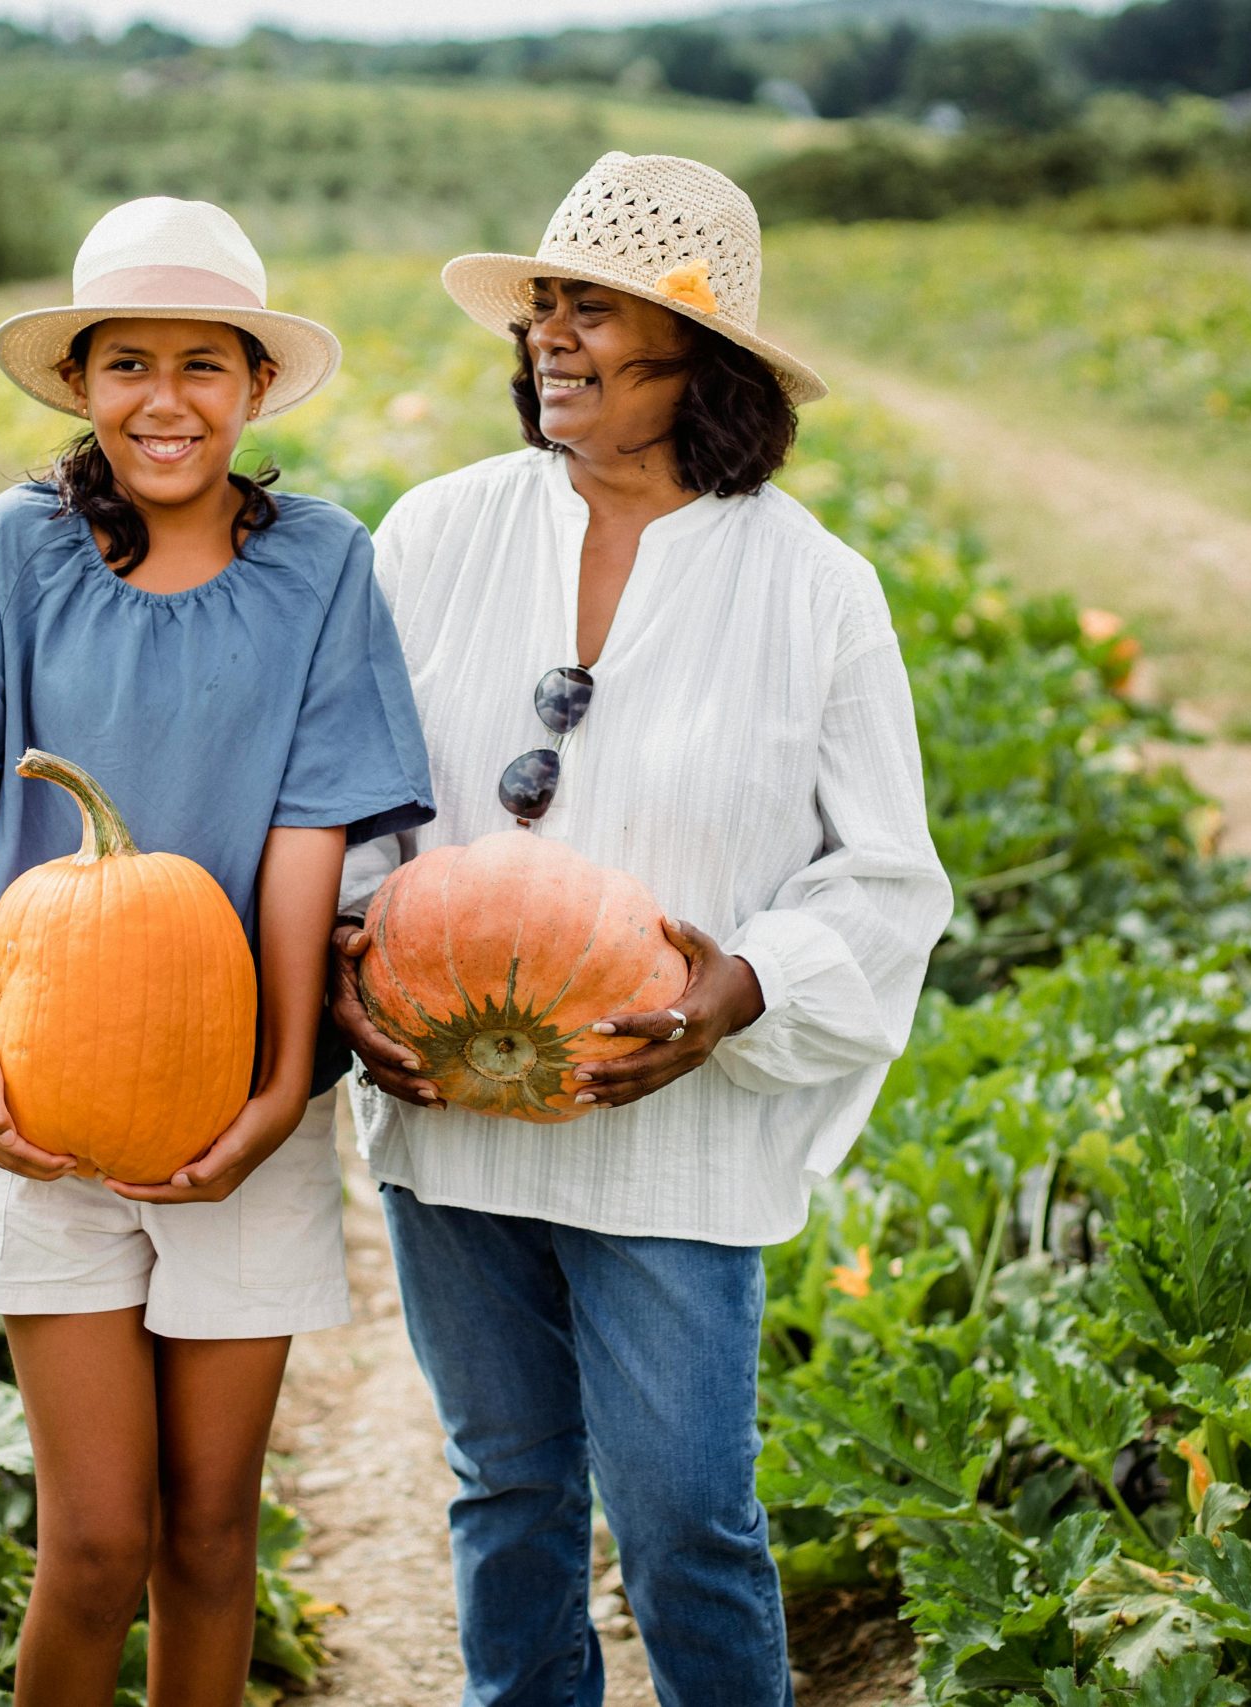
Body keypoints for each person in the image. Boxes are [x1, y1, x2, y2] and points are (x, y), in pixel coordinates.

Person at [327, 153, 951, 1705]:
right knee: (506, 1488)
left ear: (702, 360)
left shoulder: (815, 590)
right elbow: (351, 799)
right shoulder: (437, 533)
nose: (553, 335)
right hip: (452, 1099)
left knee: (685, 1520)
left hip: (670, 1123)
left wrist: (738, 990)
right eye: (546, 304)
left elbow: (884, 875)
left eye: (595, 311)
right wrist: (354, 964)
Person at [0, 197, 432, 1707]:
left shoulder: (324, 561)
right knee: (98, 1543)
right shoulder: (10, 551)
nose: (163, 401)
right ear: (78, 382)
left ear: (254, 387)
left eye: (202, 365)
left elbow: (315, 838)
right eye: (127, 363)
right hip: (32, 1104)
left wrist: (275, 1088)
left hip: (238, 1103)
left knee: (208, 1535)